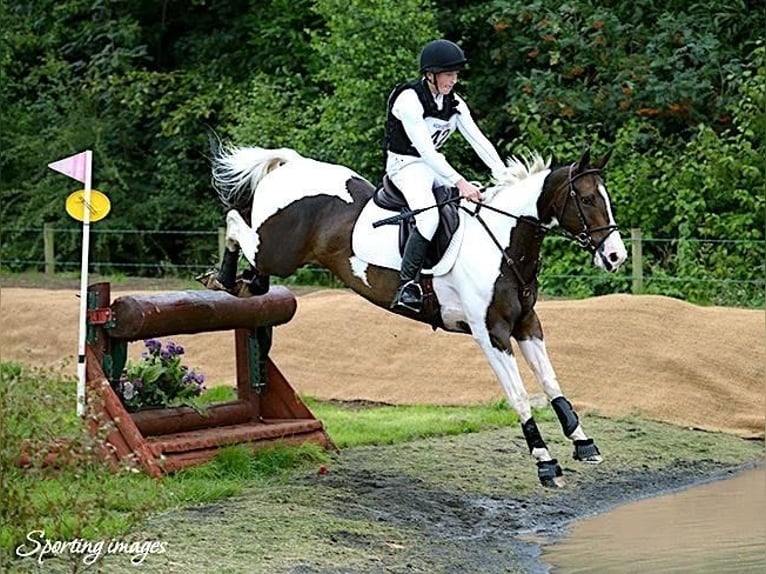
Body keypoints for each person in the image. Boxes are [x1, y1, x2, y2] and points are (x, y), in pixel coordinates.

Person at [385, 38, 508, 312]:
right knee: (428, 217)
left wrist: (505, 175)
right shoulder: (409, 100)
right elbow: (426, 152)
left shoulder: (453, 103)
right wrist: (459, 181)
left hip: (431, 167)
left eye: (455, 74)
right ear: (431, 74)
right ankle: (408, 285)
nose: (454, 80)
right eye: (449, 74)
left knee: (474, 201)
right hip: (404, 166)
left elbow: (479, 141)